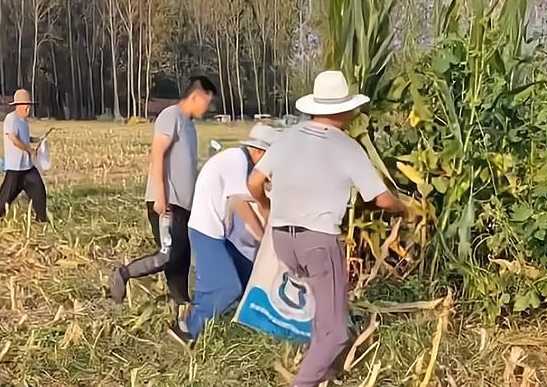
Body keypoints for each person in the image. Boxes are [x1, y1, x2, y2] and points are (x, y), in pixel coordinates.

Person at [248, 71, 408, 387]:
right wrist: (407, 208)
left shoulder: (286, 138)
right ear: (343, 110)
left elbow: (254, 182)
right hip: (318, 242)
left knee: (325, 310)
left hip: (283, 240)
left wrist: (267, 208)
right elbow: (382, 200)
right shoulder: (347, 147)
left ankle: (328, 372)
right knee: (335, 333)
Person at [168, 124, 282, 346]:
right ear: (259, 151)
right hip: (207, 231)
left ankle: (243, 324)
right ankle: (187, 330)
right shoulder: (236, 162)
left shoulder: (239, 161)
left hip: (215, 230)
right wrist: (262, 237)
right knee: (228, 287)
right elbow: (241, 204)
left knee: (248, 275)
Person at [109, 76, 216, 306]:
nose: (208, 108)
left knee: (182, 256)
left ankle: (180, 302)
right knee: (168, 254)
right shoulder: (171, 116)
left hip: (184, 206)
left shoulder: (190, 126)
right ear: (196, 96)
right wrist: (160, 196)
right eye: (207, 101)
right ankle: (122, 275)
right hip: (167, 202)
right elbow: (157, 154)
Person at [0, 89, 48, 222]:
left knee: (39, 191)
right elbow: (14, 139)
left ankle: (41, 219)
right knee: (5, 198)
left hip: (27, 167)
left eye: (29, 105)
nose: (28, 108)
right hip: (15, 168)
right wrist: (29, 150)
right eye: (26, 105)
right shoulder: (11, 119)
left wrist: (36, 140)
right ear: (18, 105)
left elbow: (25, 138)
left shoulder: (24, 122)